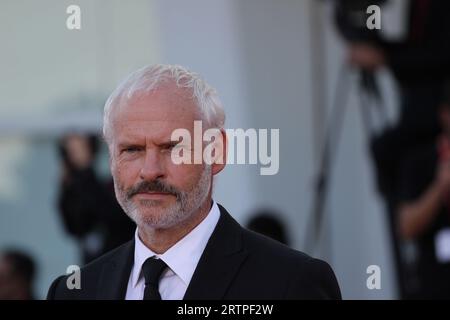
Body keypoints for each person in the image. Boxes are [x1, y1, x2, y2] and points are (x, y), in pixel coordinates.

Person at [47, 64, 341, 300]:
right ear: (111, 160)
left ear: (217, 152)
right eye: (132, 150)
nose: (150, 171)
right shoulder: (73, 292)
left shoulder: (291, 283)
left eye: (173, 148)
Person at [396, 85, 450, 299]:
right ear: (444, 114)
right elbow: (406, 227)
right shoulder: (420, 161)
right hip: (434, 282)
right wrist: (440, 186)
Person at [57, 133, 135, 264]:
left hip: (120, 269)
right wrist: (69, 183)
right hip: (92, 270)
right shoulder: (84, 187)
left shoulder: (119, 187)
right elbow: (74, 226)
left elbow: (112, 215)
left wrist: (84, 168)